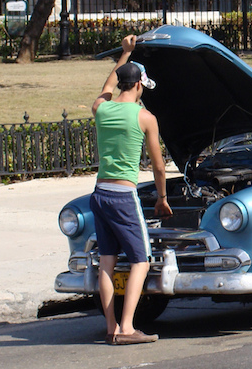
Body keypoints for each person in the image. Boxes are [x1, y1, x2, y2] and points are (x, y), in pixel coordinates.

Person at [90, 34, 173, 346]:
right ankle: (127, 328)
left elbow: (106, 87)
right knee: (141, 260)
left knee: (107, 261)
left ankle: (111, 326)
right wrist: (162, 199)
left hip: (99, 194)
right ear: (139, 85)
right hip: (124, 196)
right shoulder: (144, 117)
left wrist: (124, 54)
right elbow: (159, 166)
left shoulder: (101, 109)